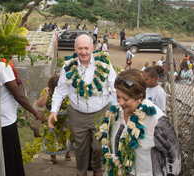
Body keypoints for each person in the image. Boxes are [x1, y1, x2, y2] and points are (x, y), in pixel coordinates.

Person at [48, 34, 117, 176]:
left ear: (93, 48)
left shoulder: (104, 64)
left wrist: (116, 109)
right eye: (80, 48)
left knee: (99, 147)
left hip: (101, 113)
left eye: (86, 48)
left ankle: (97, 168)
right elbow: (60, 90)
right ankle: (81, 172)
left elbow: (115, 88)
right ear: (75, 49)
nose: (83, 52)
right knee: (80, 148)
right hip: (77, 115)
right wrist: (53, 111)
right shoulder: (68, 67)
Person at [97, 69, 181, 176]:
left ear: (139, 97)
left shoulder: (157, 121)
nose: (120, 102)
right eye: (118, 97)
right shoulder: (116, 114)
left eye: (125, 99)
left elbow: (173, 157)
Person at [0, 59, 45, 176]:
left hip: (4, 118)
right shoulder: (3, 67)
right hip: (6, 121)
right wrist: (36, 113)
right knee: (11, 158)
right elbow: (19, 96)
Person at [37, 75, 72, 165]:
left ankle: (67, 153)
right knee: (50, 137)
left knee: (66, 136)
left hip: (64, 120)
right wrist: (46, 94)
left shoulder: (67, 91)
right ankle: (53, 157)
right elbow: (40, 104)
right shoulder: (46, 92)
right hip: (50, 120)